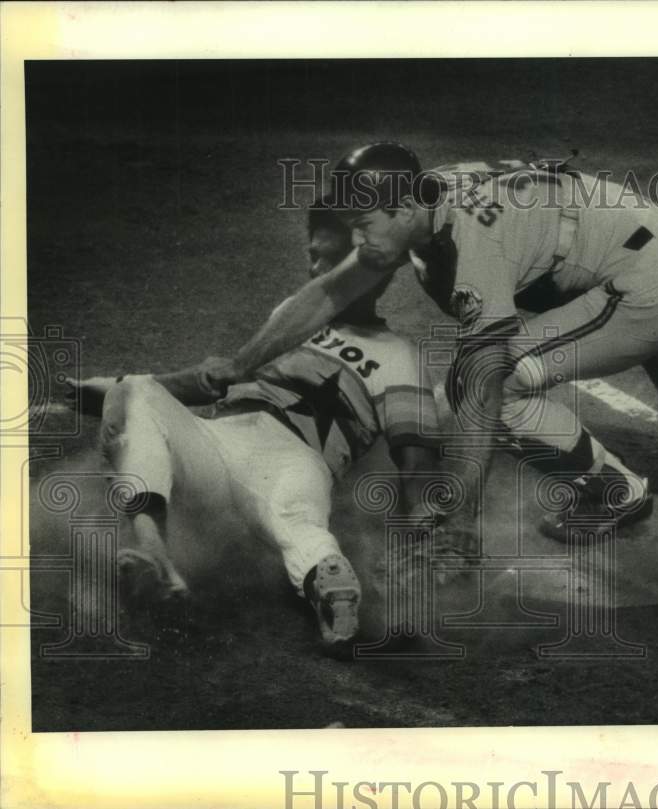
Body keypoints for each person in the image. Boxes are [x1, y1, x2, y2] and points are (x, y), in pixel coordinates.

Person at [201, 142, 658, 538]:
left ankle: (613, 491)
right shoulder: (427, 197)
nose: (357, 236)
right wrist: (238, 365)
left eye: (366, 222)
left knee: (473, 384)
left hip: (641, 282)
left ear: (404, 206)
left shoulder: (469, 248)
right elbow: (331, 289)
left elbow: (488, 377)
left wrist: (457, 504)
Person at [69, 206, 442, 651]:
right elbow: (214, 381)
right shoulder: (292, 315)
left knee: (300, 521)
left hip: (299, 459)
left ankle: (337, 592)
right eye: (313, 256)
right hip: (225, 438)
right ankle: (157, 556)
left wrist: (412, 534)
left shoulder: (401, 355)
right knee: (142, 390)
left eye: (328, 260)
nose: (315, 270)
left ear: (366, 265)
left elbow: (415, 455)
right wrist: (113, 391)